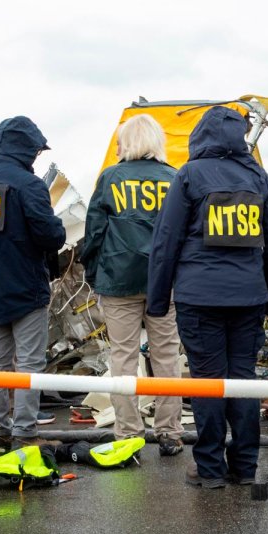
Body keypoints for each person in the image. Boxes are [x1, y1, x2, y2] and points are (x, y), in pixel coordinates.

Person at [148, 106, 268, 488]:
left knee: (207, 381)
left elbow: (166, 241)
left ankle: (209, 469)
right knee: (243, 379)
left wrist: (158, 301)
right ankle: (244, 466)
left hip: (199, 297)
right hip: (248, 297)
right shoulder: (258, 176)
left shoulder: (189, 175)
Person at [81, 115, 184, 455]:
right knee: (167, 356)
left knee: (122, 358)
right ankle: (170, 432)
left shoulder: (111, 178)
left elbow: (94, 234)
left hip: (118, 280)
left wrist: (94, 275)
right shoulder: (173, 178)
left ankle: (127, 435)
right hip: (164, 282)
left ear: (125, 142)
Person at [0, 116, 67, 449]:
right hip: (26, 285)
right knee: (29, 364)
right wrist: (59, 229)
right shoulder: (28, 184)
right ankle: (25, 432)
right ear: (28, 148)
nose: (37, 157)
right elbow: (49, 234)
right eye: (36, 151)